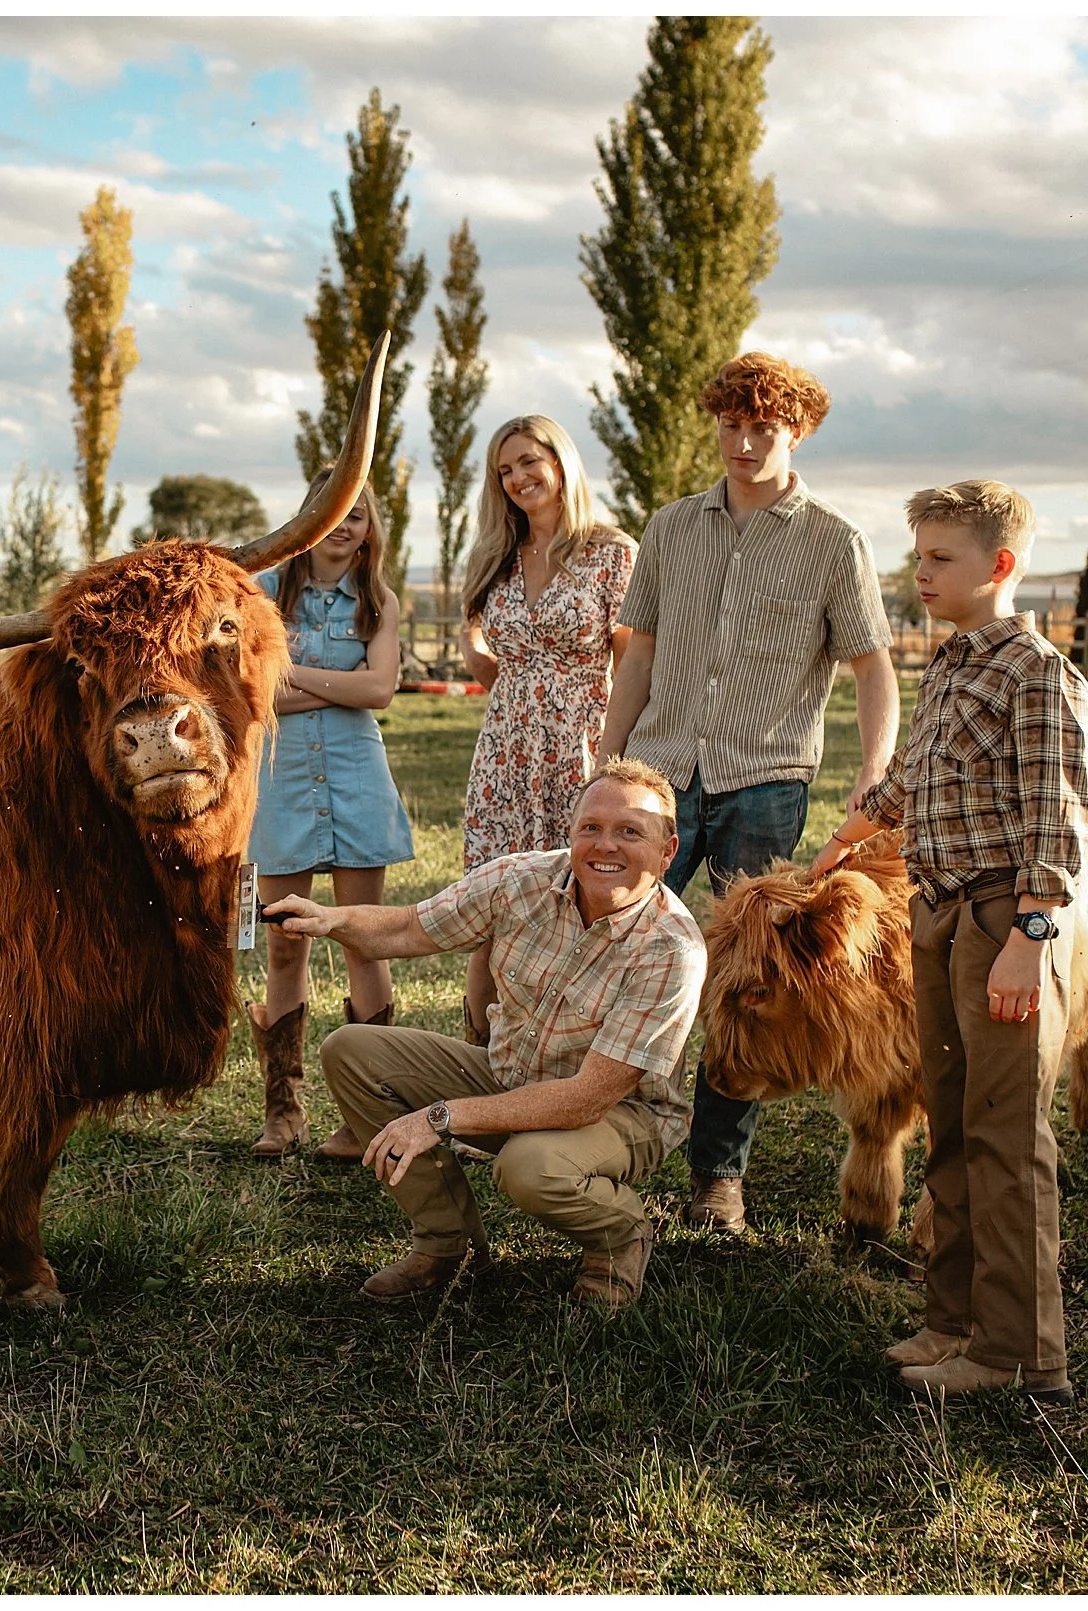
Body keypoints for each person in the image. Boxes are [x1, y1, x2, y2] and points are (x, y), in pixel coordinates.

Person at [595, 351, 899, 1236]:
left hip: (765, 779)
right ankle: (597, 1137)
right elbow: (639, 654)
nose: (743, 442)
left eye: (763, 427)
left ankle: (716, 1178)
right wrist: (608, 762)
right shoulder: (670, 530)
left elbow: (873, 668)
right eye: (730, 425)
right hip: (659, 773)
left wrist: (873, 770)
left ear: (795, 431)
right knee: (617, 942)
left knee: (750, 979)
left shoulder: (834, 542)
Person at [813, 481, 1088, 1405]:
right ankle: (952, 1321)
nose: (920, 573)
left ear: (1000, 565)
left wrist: (1029, 936)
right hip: (935, 913)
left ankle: (1021, 1352)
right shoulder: (952, 665)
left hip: (1000, 920)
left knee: (1005, 1137)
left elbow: (1056, 820)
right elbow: (915, 780)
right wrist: (856, 830)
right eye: (919, 555)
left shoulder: (1036, 675)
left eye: (941, 558)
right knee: (952, 1127)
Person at [266, 758, 704, 1309]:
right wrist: (331, 920)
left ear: (667, 853)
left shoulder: (672, 950)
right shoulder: (522, 880)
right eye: (590, 827)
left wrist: (441, 1117)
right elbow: (408, 927)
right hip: (507, 1076)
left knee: (532, 1168)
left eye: (629, 832)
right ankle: (448, 1244)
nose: (605, 845)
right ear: (570, 834)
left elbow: (586, 1097)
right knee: (351, 1050)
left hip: (619, 1114)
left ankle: (619, 1237)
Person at [244, 473, 416, 1159]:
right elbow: (252, 693)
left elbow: (380, 689)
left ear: (370, 527)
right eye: (332, 513)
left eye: (358, 515)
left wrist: (300, 682)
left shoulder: (378, 601)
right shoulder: (262, 596)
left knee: (362, 938)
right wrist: (335, 688)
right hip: (282, 780)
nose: (345, 526)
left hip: (356, 779)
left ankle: (368, 1114)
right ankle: (282, 1109)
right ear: (308, 518)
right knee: (287, 941)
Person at [457, 415, 637, 1045]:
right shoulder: (496, 558)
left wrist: (611, 763)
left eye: (529, 462)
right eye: (504, 471)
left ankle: (570, 1052)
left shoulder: (612, 554)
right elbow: (484, 654)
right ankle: (480, 1059)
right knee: (492, 900)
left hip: (583, 745)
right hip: (505, 752)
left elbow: (633, 662)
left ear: (560, 463)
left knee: (575, 899)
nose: (517, 478)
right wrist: (502, 677)